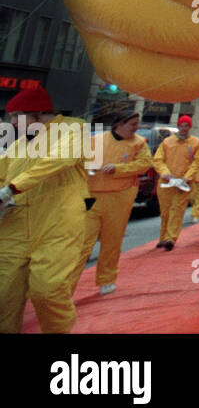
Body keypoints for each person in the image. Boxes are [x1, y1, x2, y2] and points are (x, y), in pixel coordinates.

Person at [0, 85, 89, 333]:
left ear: (37, 113)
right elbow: (2, 174)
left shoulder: (72, 128)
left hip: (57, 223)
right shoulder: (19, 147)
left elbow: (61, 159)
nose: (12, 124)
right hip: (14, 225)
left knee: (47, 290)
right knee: (3, 294)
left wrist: (11, 189)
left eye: (16, 117)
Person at [80, 109, 152, 296]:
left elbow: (144, 164)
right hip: (92, 195)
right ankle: (65, 285)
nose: (136, 128)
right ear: (118, 124)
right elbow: (79, 161)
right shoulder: (95, 140)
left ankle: (107, 279)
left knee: (112, 241)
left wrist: (118, 169)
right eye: (133, 124)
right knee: (82, 242)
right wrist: (87, 168)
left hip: (120, 197)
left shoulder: (139, 143)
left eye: (137, 124)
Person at [152, 114, 199, 250]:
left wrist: (188, 177)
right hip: (167, 182)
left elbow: (198, 161)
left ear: (190, 127)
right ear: (178, 126)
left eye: (186, 126)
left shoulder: (195, 143)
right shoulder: (167, 142)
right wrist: (165, 173)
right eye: (182, 125)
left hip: (183, 183)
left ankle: (170, 238)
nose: (184, 128)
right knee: (166, 211)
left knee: (177, 210)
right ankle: (163, 237)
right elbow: (158, 159)